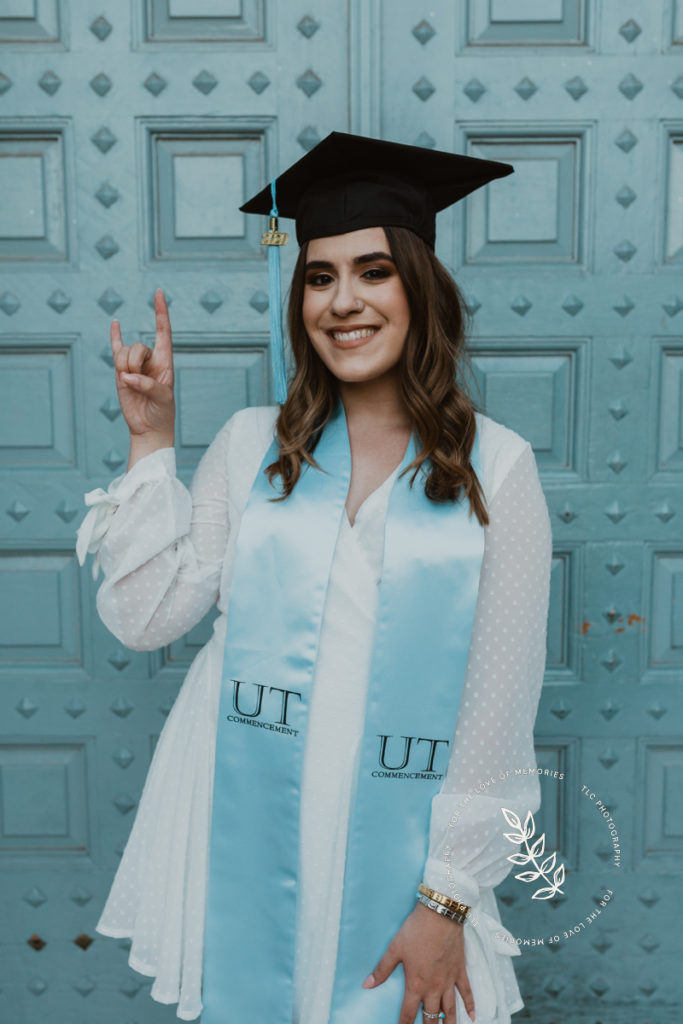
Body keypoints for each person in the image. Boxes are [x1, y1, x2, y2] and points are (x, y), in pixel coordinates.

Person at [76, 132, 552, 1024]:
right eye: (320, 277)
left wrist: (445, 897)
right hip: (243, 811)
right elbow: (147, 619)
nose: (343, 302)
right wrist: (151, 444)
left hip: (398, 835)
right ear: (298, 301)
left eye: (373, 272)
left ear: (421, 288)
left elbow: (496, 710)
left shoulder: (497, 465)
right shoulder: (254, 444)